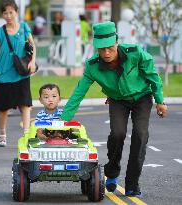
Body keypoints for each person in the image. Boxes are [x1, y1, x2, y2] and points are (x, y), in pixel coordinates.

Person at [60, 21, 167, 197]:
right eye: (101, 49)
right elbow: (79, 92)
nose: (106, 53)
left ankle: (132, 184)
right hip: (117, 101)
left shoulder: (135, 53)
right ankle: (112, 170)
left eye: (110, 48)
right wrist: (64, 119)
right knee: (118, 134)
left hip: (142, 98)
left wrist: (160, 100)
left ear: (116, 42)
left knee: (140, 135)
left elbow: (153, 76)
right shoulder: (93, 66)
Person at [0, 0, 37, 147]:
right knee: (3, 108)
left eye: (11, 12)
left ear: (16, 12)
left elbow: (33, 45)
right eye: (5, 12)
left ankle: (27, 136)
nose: (8, 15)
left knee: (26, 105)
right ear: (2, 14)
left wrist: (33, 62)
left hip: (21, 72)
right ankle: (2, 134)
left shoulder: (23, 28)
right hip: (4, 74)